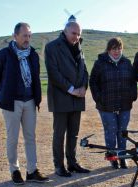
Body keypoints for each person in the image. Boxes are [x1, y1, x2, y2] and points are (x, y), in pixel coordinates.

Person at [0, 22, 49, 185]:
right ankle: (14, 170)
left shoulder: (33, 55)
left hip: (30, 101)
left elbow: (35, 78)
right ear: (15, 36)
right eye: (24, 36)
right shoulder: (3, 55)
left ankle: (32, 171)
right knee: (13, 138)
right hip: (11, 103)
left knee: (30, 137)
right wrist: (3, 95)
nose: (27, 39)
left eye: (29, 35)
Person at [45, 21, 90, 177]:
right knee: (59, 134)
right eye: (74, 33)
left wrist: (84, 87)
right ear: (65, 31)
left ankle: (72, 163)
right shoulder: (52, 47)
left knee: (74, 133)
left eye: (79, 34)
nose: (77, 37)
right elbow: (54, 73)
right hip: (61, 98)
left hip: (77, 98)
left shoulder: (79, 48)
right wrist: (72, 90)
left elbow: (84, 70)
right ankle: (59, 166)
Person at [89, 37, 137, 169]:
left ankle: (122, 157)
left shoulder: (127, 63)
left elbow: (133, 81)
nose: (116, 51)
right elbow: (93, 81)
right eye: (114, 48)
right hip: (106, 105)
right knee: (111, 131)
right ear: (109, 49)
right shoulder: (100, 63)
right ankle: (112, 157)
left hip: (125, 104)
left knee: (122, 131)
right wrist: (99, 98)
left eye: (119, 48)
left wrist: (133, 95)